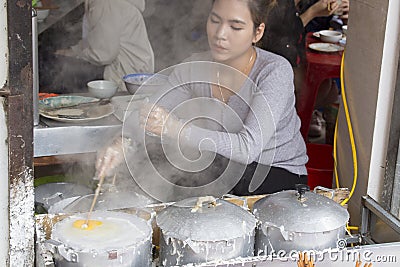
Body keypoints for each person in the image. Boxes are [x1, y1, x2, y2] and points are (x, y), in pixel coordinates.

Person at [96, 0, 308, 200]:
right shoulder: (194, 66)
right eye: (215, 21)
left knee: (195, 176)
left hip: (275, 173)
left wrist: (176, 129)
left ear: (257, 32)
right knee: (152, 160)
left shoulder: (274, 71)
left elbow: (248, 148)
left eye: (235, 27)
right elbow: (149, 110)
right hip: (223, 165)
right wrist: (121, 142)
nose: (220, 34)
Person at [259, 0, 349, 138]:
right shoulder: (278, 5)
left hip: (289, 60)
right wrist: (313, 12)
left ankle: (298, 121)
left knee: (330, 90)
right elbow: (282, 38)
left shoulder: (298, 4)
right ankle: (289, 124)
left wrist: (337, 11)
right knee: (322, 88)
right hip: (270, 64)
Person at [51, 0, 154, 92]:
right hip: (133, 74)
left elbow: (103, 55)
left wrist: (78, 54)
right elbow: (96, 37)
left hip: (124, 78)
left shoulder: (105, 4)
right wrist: (73, 51)